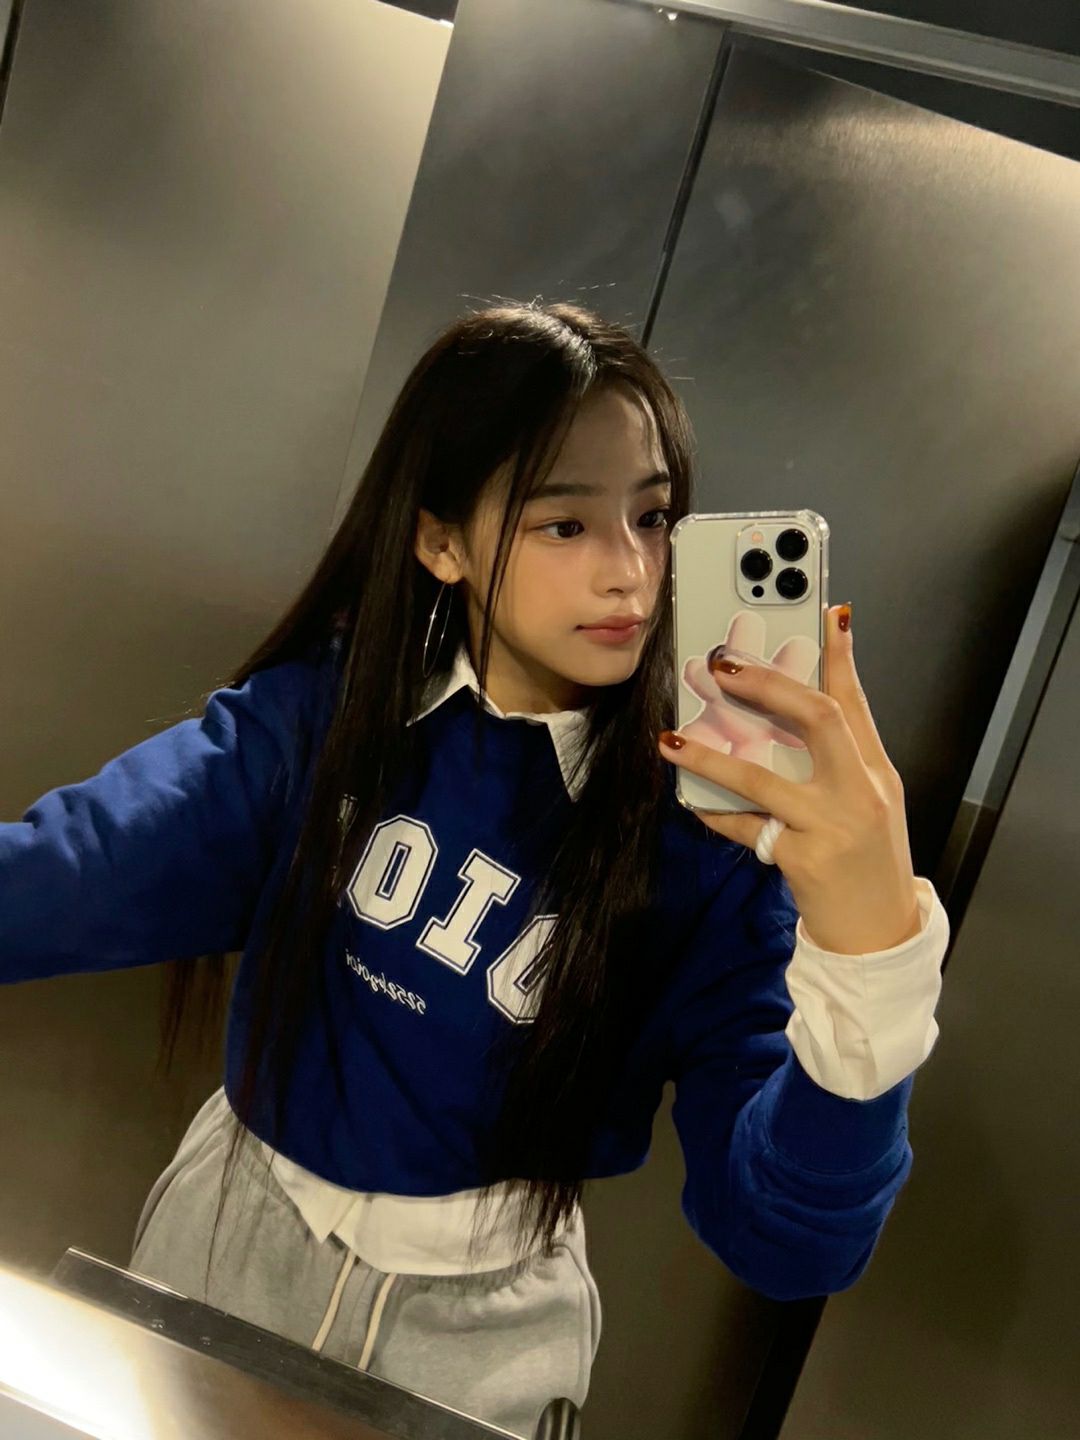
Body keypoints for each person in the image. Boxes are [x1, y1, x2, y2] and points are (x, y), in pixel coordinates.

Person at [0, 301, 948, 1438]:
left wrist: (870, 951)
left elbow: (787, 1242)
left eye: (653, 518)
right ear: (440, 541)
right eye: (565, 524)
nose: (631, 574)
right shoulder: (323, 723)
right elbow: (68, 871)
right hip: (222, 1249)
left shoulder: (709, 844)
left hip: (483, 1340)